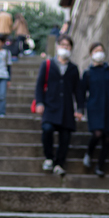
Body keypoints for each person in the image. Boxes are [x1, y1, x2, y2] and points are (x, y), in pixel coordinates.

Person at [33, 34, 84, 176]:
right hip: (50, 105)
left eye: (67, 46)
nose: (64, 48)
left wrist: (80, 108)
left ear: (71, 48)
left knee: (65, 136)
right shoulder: (48, 64)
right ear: (57, 46)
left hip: (67, 108)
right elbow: (39, 85)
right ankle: (49, 157)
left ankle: (59, 163)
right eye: (62, 45)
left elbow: (78, 90)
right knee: (47, 129)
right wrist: (40, 102)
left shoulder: (73, 68)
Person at [81, 42, 109, 177]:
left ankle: (100, 166)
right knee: (97, 134)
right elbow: (82, 93)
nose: (99, 53)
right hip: (94, 108)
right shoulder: (88, 73)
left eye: (101, 50)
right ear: (91, 54)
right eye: (96, 50)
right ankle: (89, 153)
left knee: (108, 138)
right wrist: (81, 109)